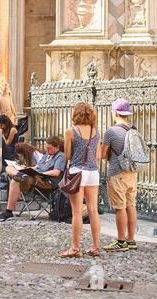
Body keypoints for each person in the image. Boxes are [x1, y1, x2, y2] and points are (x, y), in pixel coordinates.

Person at [60, 102, 101, 258]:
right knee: (93, 210)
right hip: (93, 172)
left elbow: (68, 156)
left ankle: (75, 248)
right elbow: (96, 157)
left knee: (77, 212)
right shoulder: (96, 131)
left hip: (77, 172)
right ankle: (95, 247)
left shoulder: (70, 131)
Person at [0, 136, 66, 222]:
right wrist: (26, 168)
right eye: (46, 147)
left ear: (57, 147)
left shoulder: (61, 156)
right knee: (9, 167)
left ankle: (8, 212)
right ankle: (20, 174)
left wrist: (40, 173)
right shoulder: (47, 155)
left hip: (46, 181)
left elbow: (56, 172)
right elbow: (37, 167)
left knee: (16, 180)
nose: (47, 150)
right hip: (34, 176)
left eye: (49, 148)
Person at [101, 98, 139, 252]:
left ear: (115, 112)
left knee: (120, 208)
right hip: (132, 172)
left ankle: (121, 241)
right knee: (131, 205)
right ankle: (131, 239)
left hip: (117, 172)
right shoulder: (134, 129)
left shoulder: (111, 131)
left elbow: (103, 154)